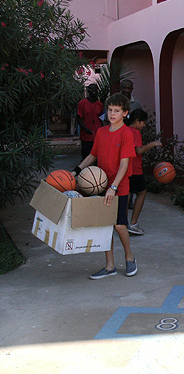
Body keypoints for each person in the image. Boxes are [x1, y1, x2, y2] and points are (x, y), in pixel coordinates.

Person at [72, 93, 138, 279]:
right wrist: (75, 171)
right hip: (100, 184)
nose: (112, 114)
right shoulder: (101, 132)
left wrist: (114, 187)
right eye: (110, 110)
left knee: (119, 225)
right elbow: (92, 156)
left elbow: (124, 164)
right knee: (104, 226)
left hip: (119, 185)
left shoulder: (126, 134)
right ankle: (110, 266)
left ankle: (130, 258)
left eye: (117, 111)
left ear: (125, 113)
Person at [125, 109, 162, 235]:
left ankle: (123, 223)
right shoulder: (135, 132)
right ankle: (133, 223)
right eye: (143, 123)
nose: (144, 125)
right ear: (136, 121)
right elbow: (139, 150)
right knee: (141, 192)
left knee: (127, 194)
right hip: (134, 168)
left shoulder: (124, 130)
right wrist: (153, 144)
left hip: (124, 169)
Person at [76, 83, 103, 160]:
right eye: (92, 90)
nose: (94, 92)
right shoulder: (82, 103)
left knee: (97, 157)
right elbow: (79, 118)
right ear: (88, 91)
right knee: (86, 157)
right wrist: (85, 129)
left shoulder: (100, 104)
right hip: (86, 136)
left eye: (95, 90)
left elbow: (102, 119)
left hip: (97, 135)